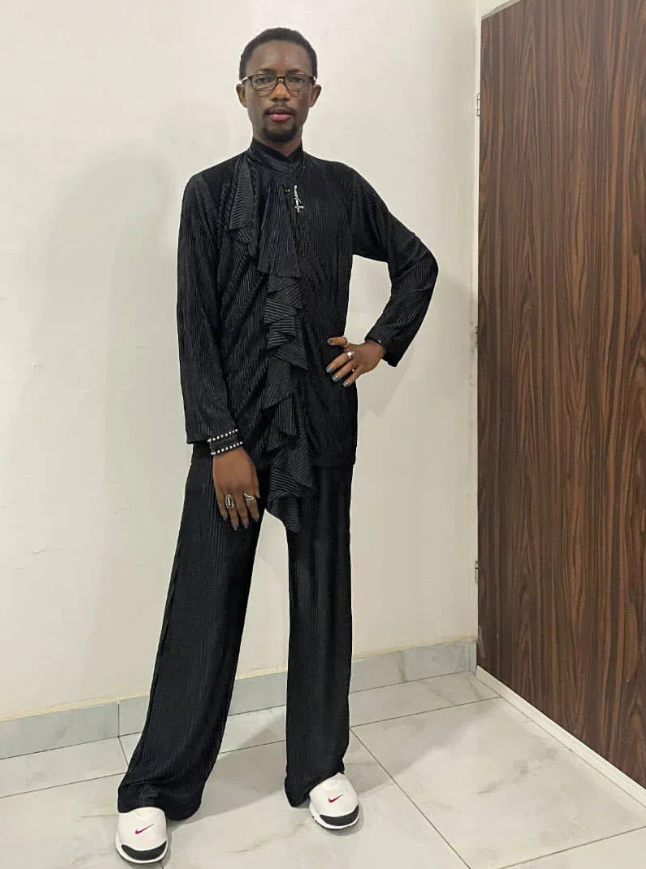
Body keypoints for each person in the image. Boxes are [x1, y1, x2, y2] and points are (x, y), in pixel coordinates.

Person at [115, 26, 438, 865]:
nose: (281, 91)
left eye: (295, 78)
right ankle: (156, 785)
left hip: (322, 428)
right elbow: (195, 324)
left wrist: (379, 344)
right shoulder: (210, 193)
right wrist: (221, 439)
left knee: (321, 596)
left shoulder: (342, 189)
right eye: (265, 78)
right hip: (232, 436)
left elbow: (418, 262)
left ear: (316, 93)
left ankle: (319, 764)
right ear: (243, 93)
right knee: (203, 601)